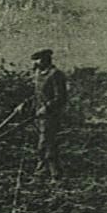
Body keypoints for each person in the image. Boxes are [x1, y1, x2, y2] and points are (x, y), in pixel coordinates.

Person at [31, 48, 68, 180]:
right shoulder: (38, 74)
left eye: (38, 59)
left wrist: (46, 108)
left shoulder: (56, 74)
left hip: (51, 115)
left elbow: (61, 97)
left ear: (46, 59)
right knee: (47, 145)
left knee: (45, 144)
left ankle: (48, 174)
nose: (35, 62)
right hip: (38, 116)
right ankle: (52, 174)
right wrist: (23, 106)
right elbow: (36, 95)